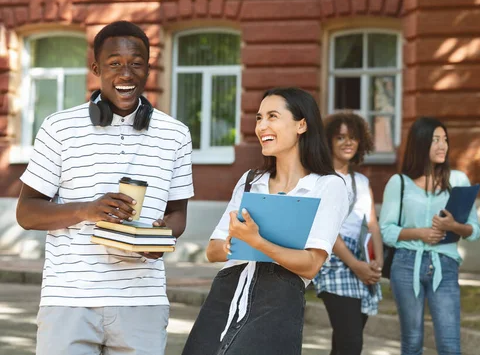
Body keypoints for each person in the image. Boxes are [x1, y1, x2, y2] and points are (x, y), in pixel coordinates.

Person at [15, 21, 194, 355]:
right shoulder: (58, 128)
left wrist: (161, 237)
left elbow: (178, 212)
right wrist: (86, 210)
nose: (126, 74)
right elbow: (26, 212)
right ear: (95, 68)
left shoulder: (177, 134)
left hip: (143, 301)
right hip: (69, 299)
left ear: (149, 68)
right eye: (114, 64)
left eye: (136, 63)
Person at [181, 87, 348, 355]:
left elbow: (311, 265)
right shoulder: (251, 180)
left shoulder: (327, 186)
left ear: (301, 125)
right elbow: (213, 251)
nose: (262, 126)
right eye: (259, 118)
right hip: (225, 295)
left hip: (277, 305)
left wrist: (256, 241)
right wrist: (236, 241)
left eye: (272, 116)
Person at [379, 116, 480, 355]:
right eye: (435, 140)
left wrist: (454, 225)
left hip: (444, 265)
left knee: (449, 343)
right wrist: (420, 233)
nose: (442, 145)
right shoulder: (399, 183)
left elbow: (474, 231)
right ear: (420, 143)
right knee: (412, 342)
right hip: (405, 265)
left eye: (445, 139)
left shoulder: (458, 180)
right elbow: (387, 230)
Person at [312, 112, 384, 355]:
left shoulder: (362, 181)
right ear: (328, 141)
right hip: (334, 261)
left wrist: (377, 263)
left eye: (353, 137)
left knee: (346, 342)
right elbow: (326, 229)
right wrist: (355, 265)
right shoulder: (318, 179)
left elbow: (373, 224)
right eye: (340, 137)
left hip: (363, 261)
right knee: (351, 341)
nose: (347, 142)